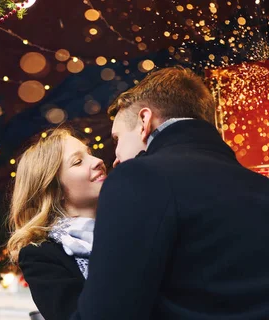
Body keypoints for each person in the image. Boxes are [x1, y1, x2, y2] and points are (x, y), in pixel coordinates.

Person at [71, 66, 269, 319]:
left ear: (144, 121)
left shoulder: (138, 178)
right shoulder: (261, 187)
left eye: (117, 139)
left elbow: (107, 313)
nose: (116, 159)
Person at [6, 127, 108, 320]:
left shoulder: (130, 224)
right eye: (78, 161)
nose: (98, 161)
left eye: (90, 154)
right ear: (55, 190)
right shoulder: (41, 254)